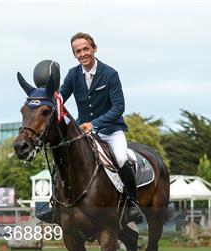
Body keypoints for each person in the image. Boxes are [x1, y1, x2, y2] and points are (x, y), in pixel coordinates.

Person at [36, 32, 143, 225]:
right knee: (61, 159)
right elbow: (59, 99)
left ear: (94, 48)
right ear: (74, 55)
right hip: (83, 132)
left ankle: (133, 204)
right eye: (78, 51)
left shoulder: (110, 74)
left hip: (111, 131)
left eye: (86, 49)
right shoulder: (73, 74)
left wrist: (95, 124)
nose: (83, 53)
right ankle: (55, 206)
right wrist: (44, 97)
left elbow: (119, 107)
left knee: (120, 158)